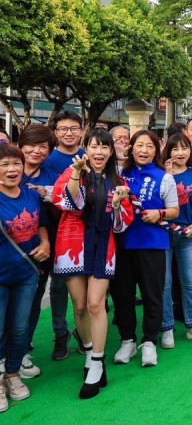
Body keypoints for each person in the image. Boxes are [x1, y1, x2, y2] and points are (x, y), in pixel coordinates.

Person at [52, 129, 134, 398]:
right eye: (94, 146)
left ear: (111, 151)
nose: (99, 152)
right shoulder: (72, 172)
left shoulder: (118, 180)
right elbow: (70, 204)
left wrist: (121, 203)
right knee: (79, 305)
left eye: (104, 147)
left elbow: (120, 226)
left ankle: (97, 362)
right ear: (86, 148)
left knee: (95, 304)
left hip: (103, 247)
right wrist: (76, 173)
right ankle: (88, 352)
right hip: (73, 244)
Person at [113, 130, 179, 368]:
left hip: (153, 244)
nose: (144, 150)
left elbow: (174, 211)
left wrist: (159, 213)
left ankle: (149, 341)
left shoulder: (165, 178)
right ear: (131, 148)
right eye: (139, 145)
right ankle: (127, 340)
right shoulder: (119, 175)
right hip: (122, 245)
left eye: (149, 146)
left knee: (153, 294)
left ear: (156, 150)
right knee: (122, 295)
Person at [0, 144, 50, 412]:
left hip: (27, 274)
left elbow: (41, 223)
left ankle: (12, 374)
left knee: (20, 328)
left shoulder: (31, 195)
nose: (12, 169)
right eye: (5, 165)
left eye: (16, 164)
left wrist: (45, 243)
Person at [13, 125, 59, 379]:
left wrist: (49, 199)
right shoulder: (8, 172)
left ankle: (20, 353)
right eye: (32, 145)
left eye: (44, 147)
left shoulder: (52, 177)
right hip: (7, 253)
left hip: (41, 251)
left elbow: (62, 214)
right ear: (20, 145)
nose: (37, 151)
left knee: (30, 303)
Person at [42, 111, 85, 360]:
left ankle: (84, 333)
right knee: (58, 286)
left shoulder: (89, 156)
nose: (69, 133)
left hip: (86, 234)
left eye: (73, 128)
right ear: (55, 133)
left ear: (81, 131)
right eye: (63, 129)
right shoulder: (48, 161)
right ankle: (61, 333)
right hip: (57, 232)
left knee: (87, 288)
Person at [160, 134, 192, 349]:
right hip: (163, 234)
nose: (180, 153)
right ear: (168, 152)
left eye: (185, 148)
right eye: (175, 149)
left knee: (189, 282)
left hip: (188, 235)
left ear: (191, 151)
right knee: (165, 283)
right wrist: (167, 177)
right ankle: (167, 328)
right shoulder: (160, 175)